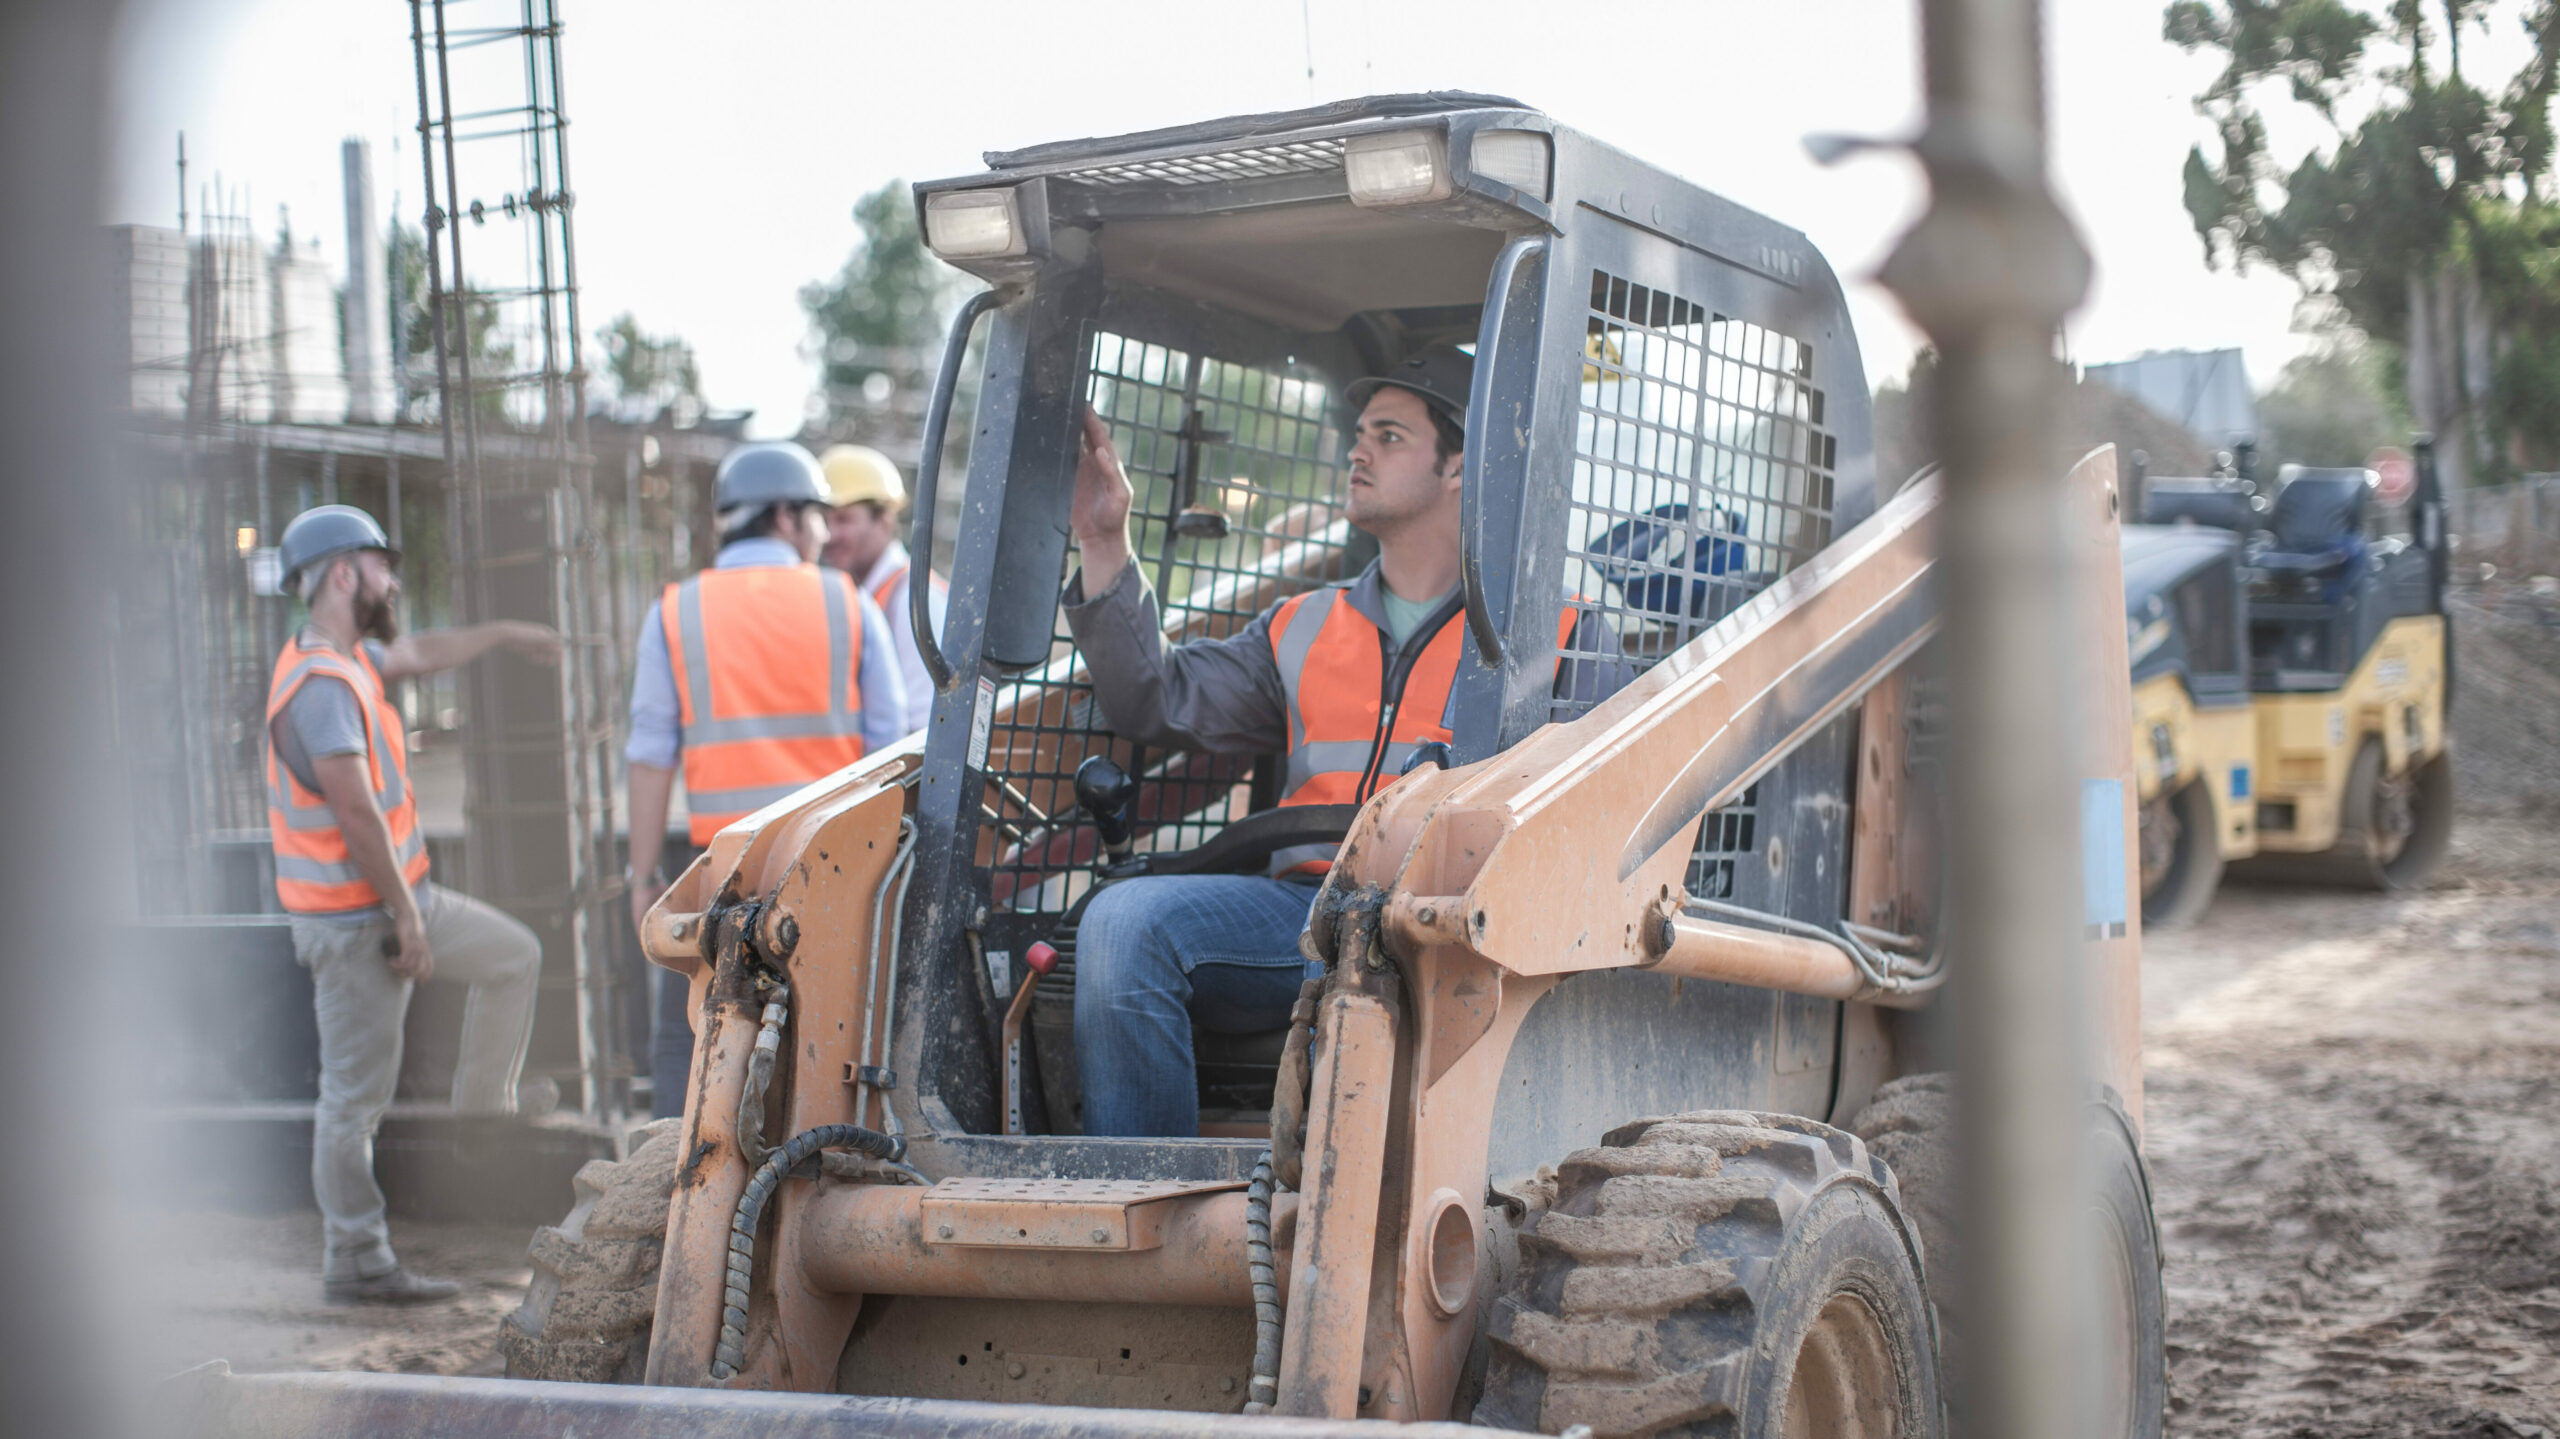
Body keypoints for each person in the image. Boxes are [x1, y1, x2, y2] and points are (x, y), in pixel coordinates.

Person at [1062, 347, 1627, 1137]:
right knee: (1123, 923)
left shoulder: (1561, 634)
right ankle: (1144, 1206)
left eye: (1389, 436)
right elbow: (1153, 696)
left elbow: (1598, 825)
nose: (1358, 450)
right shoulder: (1301, 625)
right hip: (1302, 918)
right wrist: (1101, 539)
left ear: (1459, 466)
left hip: (1449, 934)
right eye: (1359, 432)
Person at [264, 504, 560, 1304]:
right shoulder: (321, 685)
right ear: (342, 572)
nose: (393, 579)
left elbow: (424, 650)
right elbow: (356, 814)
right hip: (358, 919)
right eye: (381, 564)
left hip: (393, 901)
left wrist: (503, 632)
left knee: (513, 955)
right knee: (353, 1101)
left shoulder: (349, 659)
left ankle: (479, 1115)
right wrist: (406, 918)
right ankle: (356, 1257)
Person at [626, 441, 906, 1118]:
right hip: (828, 869)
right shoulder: (849, 606)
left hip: (717, 871)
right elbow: (892, 749)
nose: (823, 533)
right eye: (817, 515)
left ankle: (670, 1190)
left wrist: (642, 878)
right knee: (827, 1035)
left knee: (690, 1034)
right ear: (785, 516)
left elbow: (649, 751)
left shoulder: (674, 612)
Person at [818, 443, 946, 736]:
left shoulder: (915, 600)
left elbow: (924, 724)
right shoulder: (854, 597)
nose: (830, 535)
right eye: (825, 521)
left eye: (844, 519)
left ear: (884, 520)